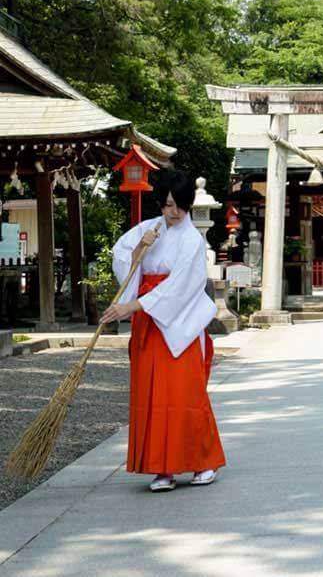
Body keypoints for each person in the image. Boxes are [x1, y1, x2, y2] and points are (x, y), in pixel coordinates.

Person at [102, 169, 226, 492]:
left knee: (184, 393)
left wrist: (131, 307)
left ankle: (204, 460)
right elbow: (123, 258)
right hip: (148, 321)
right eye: (169, 205)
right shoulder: (149, 229)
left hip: (177, 323)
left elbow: (182, 286)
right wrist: (138, 252)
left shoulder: (192, 241)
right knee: (151, 396)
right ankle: (163, 468)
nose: (174, 213)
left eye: (180, 206)